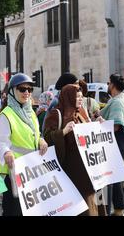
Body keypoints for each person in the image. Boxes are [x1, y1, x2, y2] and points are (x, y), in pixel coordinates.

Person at [0, 73, 48, 216]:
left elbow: (35, 134)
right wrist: (6, 152)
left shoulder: (31, 113)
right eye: (22, 89)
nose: (27, 93)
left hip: (32, 172)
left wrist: (41, 140)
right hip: (15, 174)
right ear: (12, 91)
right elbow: (0, 141)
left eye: (30, 89)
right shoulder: (6, 115)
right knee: (14, 212)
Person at [44, 84, 100, 216]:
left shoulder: (80, 114)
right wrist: (63, 131)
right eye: (77, 97)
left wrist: (98, 124)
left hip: (86, 172)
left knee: (88, 205)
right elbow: (47, 138)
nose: (80, 99)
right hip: (69, 172)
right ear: (68, 97)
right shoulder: (56, 114)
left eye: (81, 97)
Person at [100, 74, 124, 216]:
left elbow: (115, 125)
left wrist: (100, 122)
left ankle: (117, 210)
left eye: (108, 82)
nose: (107, 85)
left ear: (113, 85)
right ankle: (117, 209)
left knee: (113, 175)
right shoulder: (123, 99)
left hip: (119, 140)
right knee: (115, 174)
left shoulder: (117, 102)